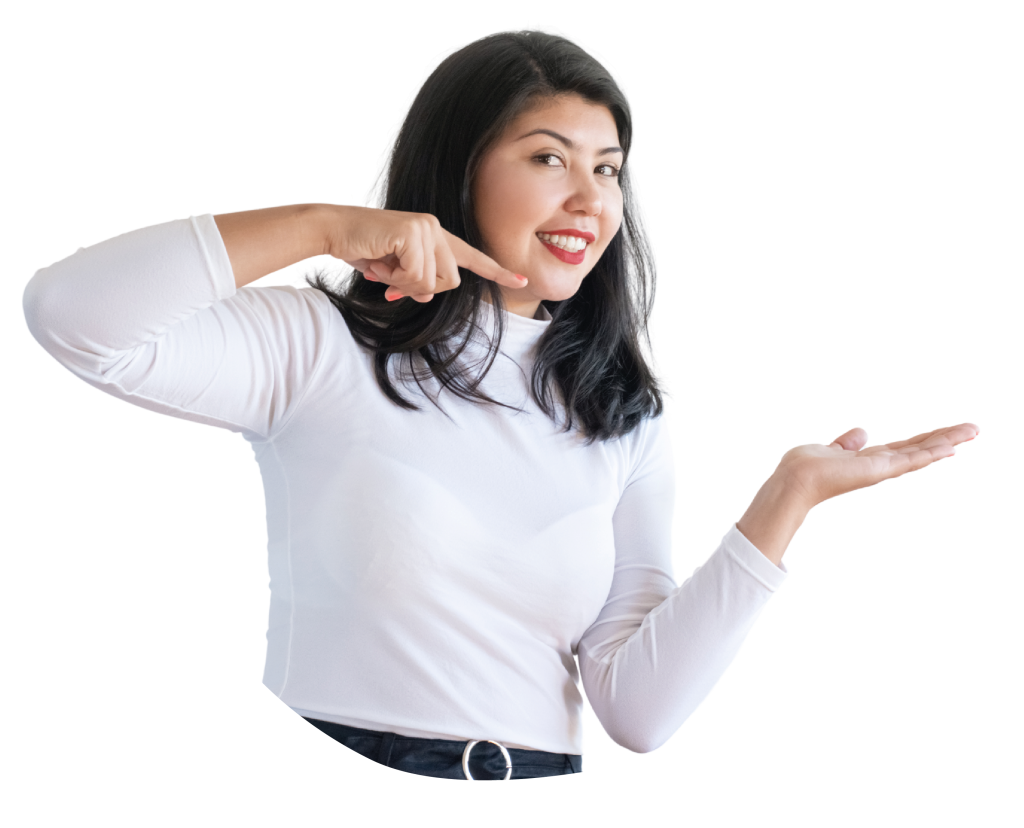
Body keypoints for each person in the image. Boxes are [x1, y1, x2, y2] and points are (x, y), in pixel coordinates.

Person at [20, 24, 979, 781]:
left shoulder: (625, 414)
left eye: (606, 168)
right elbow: (70, 316)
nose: (590, 200)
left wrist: (787, 500)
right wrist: (325, 226)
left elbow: (637, 713)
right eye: (548, 158)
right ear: (460, 166)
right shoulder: (319, 342)